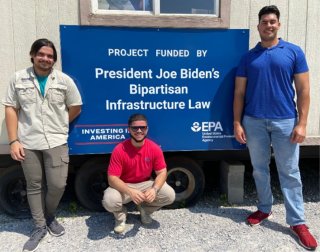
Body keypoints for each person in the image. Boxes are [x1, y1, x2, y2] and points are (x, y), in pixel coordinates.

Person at [233, 5, 317, 250]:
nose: (268, 25)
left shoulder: (293, 52)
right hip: (254, 121)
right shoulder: (248, 57)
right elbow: (239, 92)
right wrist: (238, 122)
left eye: (272, 21)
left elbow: (304, 91)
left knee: (289, 172)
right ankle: (264, 208)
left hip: (285, 122)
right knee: (260, 170)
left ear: (278, 24)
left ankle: (297, 222)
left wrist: (302, 123)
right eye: (264, 22)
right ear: (258, 26)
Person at [2, 38, 82, 252]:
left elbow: (76, 106)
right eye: (41, 54)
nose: (45, 59)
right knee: (34, 185)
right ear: (33, 55)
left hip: (56, 140)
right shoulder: (18, 79)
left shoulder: (64, 81)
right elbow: (11, 108)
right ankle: (39, 226)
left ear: (54, 59)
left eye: (50, 56)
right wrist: (13, 140)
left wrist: (61, 123)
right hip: (28, 141)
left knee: (57, 185)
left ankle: (49, 216)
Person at [102, 113, 175, 234]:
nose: (139, 131)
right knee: (109, 201)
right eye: (135, 128)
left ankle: (145, 210)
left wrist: (154, 189)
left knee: (170, 195)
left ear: (147, 129)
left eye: (143, 127)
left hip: (145, 184)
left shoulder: (154, 148)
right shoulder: (119, 149)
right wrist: (131, 191)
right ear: (129, 129)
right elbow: (112, 179)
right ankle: (120, 217)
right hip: (124, 185)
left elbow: (162, 172)